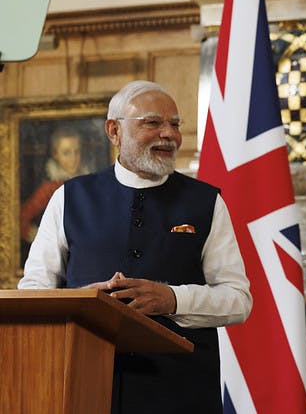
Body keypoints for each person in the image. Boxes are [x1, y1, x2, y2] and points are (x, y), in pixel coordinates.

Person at [19, 80, 253, 414]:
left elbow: (238, 299)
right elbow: (33, 293)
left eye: (175, 124)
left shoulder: (207, 202)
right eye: (153, 122)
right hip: (83, 385)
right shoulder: (69, 198)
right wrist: (88, 302)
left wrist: (171, 299)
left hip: (181, 393)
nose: (168, 134)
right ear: (114, 131)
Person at [19, 127, 89, 262]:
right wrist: (44, 241)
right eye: (66, 153)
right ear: (55, 155)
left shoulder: (89, 181)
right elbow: (21, 221)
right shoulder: (49, 189)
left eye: (77, 151)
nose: (73, 158)